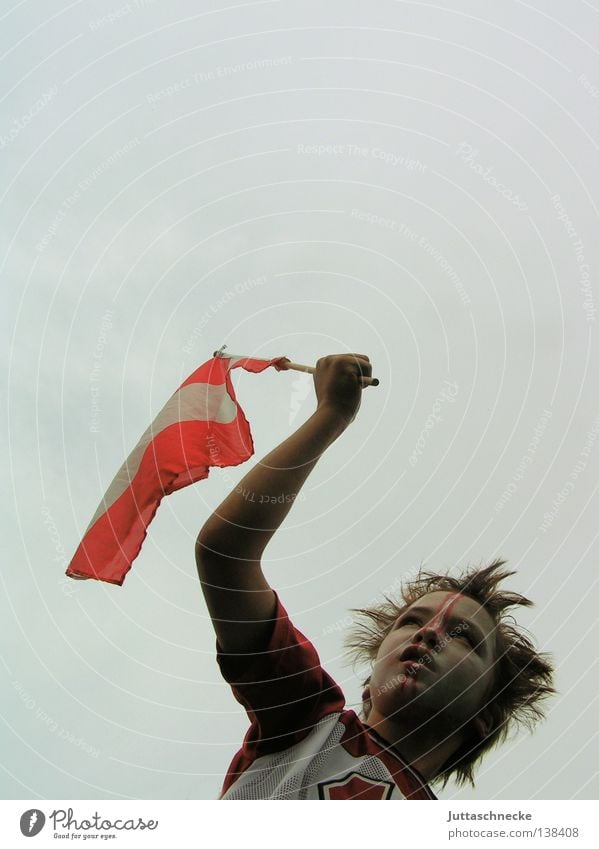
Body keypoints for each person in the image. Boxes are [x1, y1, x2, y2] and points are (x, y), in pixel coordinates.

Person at [195, 354, 555, 799]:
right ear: (368, 684)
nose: (427, 633)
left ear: (484, 713)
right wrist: (332, 415)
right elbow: (226, 555)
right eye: (411, 621)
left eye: (464, 637)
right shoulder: (307, 723)